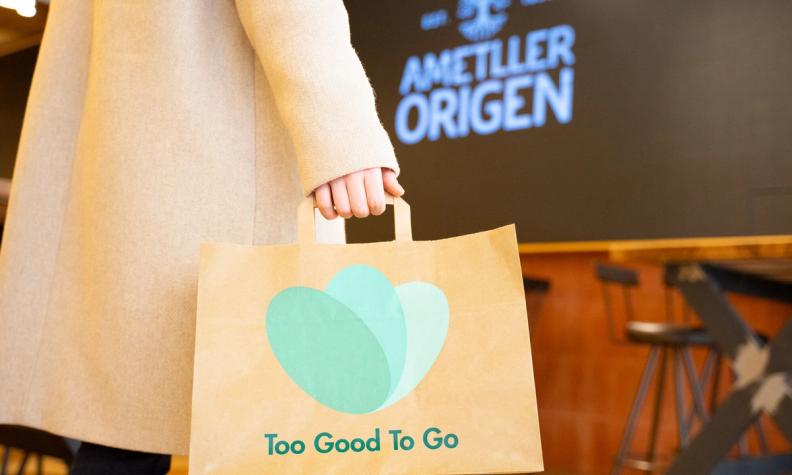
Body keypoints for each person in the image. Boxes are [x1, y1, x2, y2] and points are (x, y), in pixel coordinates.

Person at [0, 0, 403, 473]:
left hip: (120, 169)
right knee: (264, 429)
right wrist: (343, 133)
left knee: (121, 430)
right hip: (219, 163)